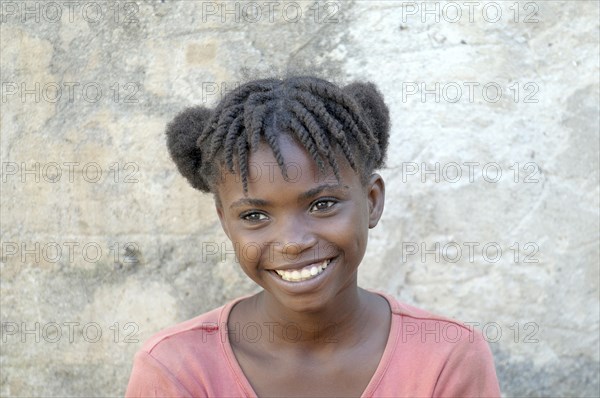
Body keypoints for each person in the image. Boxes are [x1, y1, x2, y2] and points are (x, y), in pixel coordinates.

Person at [125, 76, 501, 397]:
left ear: (371, 201)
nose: (293, 241)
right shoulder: (177, 370)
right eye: (255, 215)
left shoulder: (446, 358)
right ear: (226, 222)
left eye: (322, 205)